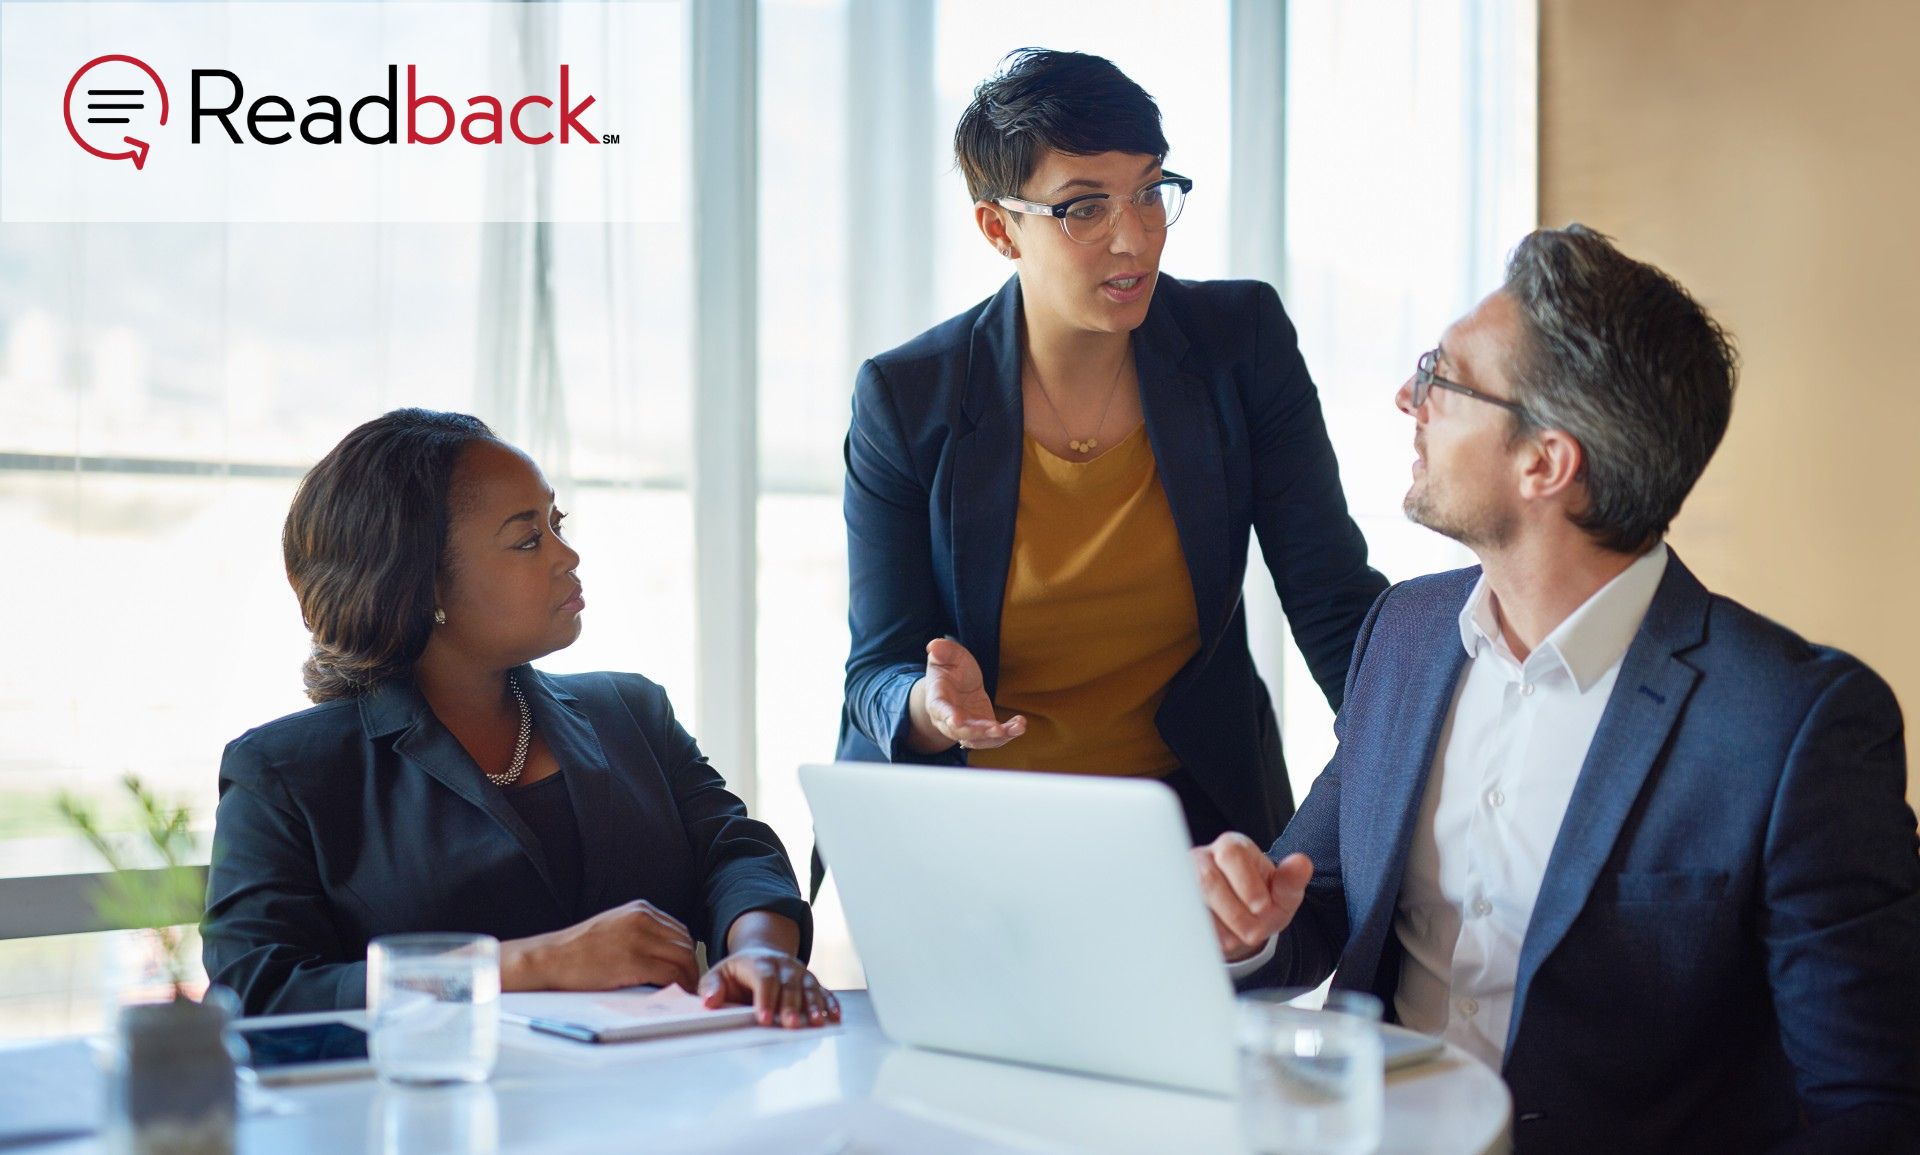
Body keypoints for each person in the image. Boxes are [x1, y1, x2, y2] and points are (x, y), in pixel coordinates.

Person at [1193, 226, 1920, 1152]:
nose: (1410, 397)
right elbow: (1320, 899)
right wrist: (1243, 925)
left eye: (1444, 376)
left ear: (1545, 461)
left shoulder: (1793, 725)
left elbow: (1871, 1104)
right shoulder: (1404, 634)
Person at [838, 48, 1386, 858]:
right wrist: (931, 705)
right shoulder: (908, 397)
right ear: (999, 228)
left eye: (1149, 192)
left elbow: (1333, 602)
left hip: (1189, 821)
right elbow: (877, 671)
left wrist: (1423, 779)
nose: (1134, 238)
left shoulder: (1240, 345)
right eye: (1084, 208)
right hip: (973, 822)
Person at [203, 409, 837, 1030]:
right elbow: (258, 989)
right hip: (447, 1097)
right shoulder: (284, 773)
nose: (568, 555)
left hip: (673, 1084)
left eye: (557, 524)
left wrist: (760, 952)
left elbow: (737, 854)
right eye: (528, 540)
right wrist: (535, 964)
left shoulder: (633, 711)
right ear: (423, 586)